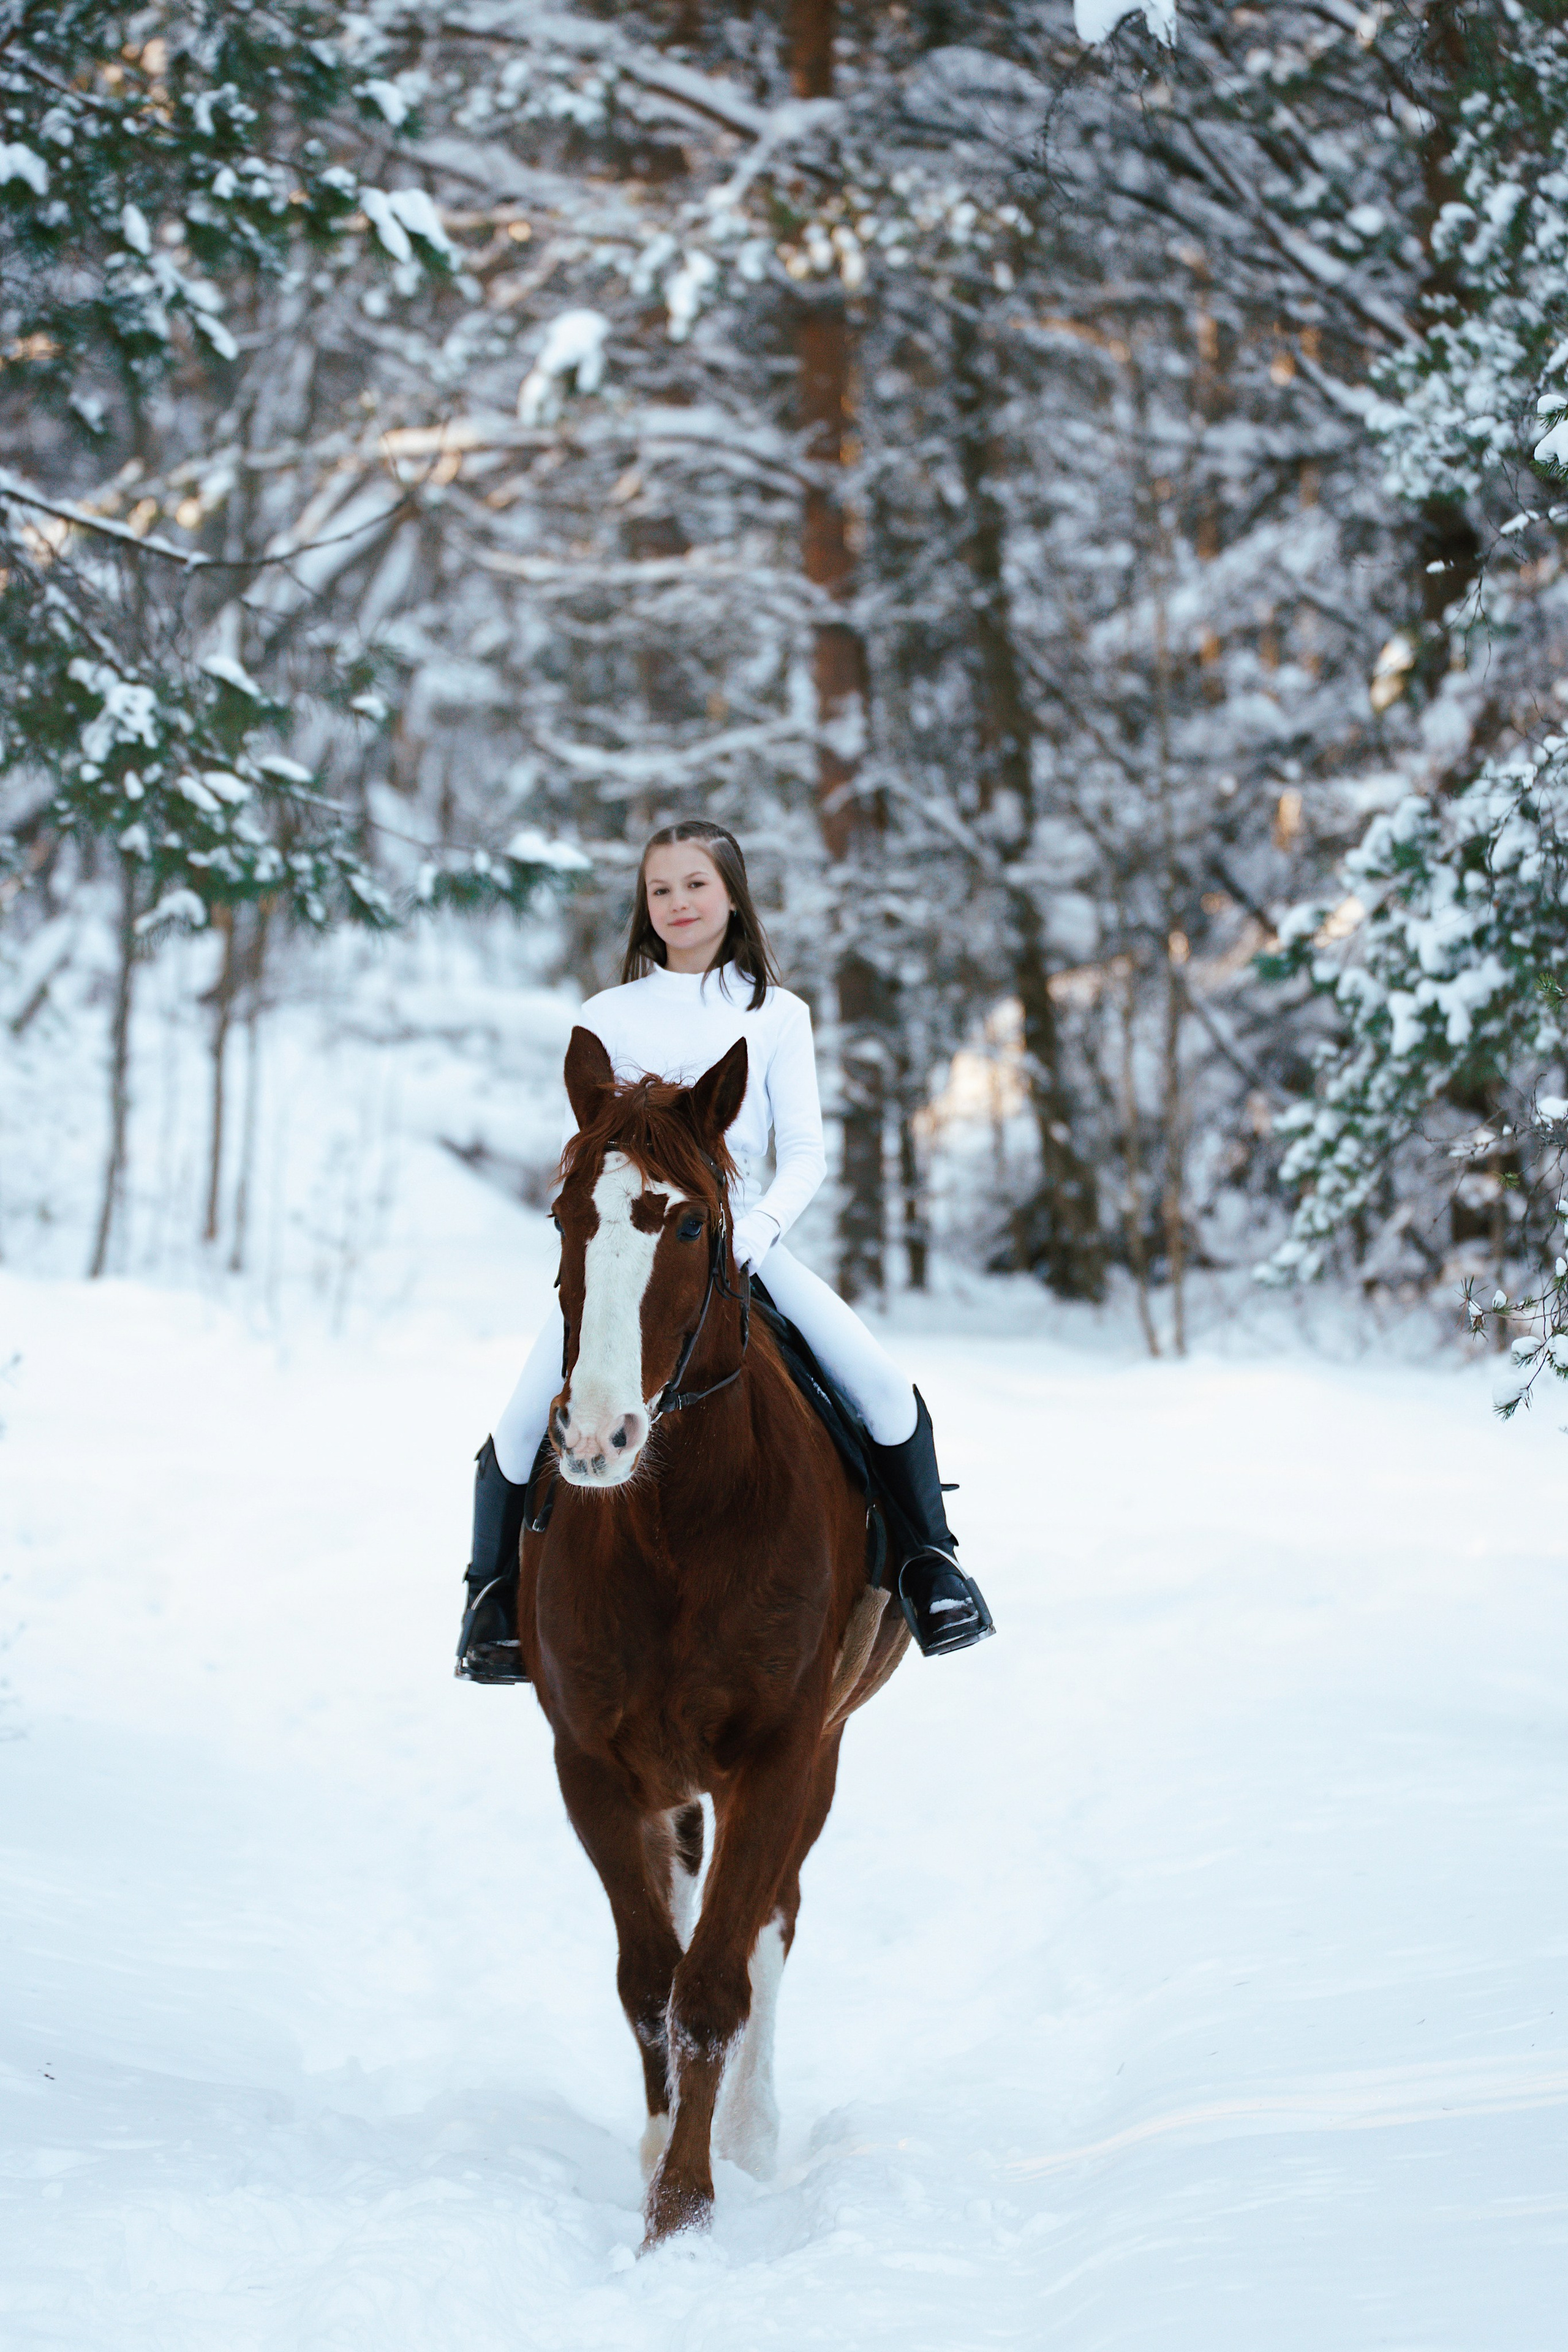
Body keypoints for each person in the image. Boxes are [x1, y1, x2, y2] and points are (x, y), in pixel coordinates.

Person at [456, 819, 994, 1682]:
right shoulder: (607, 1017)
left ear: (732, 896)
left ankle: (931, 1571)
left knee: (887, 1397)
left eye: (695, 885)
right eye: (660, 889)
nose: (677, 903)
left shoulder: (778, 1016)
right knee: (520, 1432)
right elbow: (605, 1163)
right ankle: (493, 1607)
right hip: (636, 1259)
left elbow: (808, 1153)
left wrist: (757, 1236)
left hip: (742, 1241)